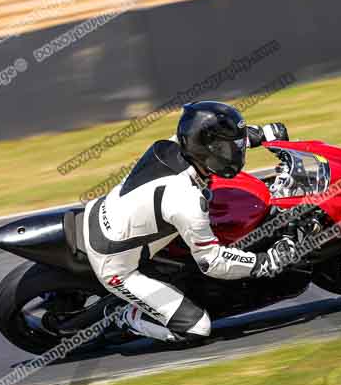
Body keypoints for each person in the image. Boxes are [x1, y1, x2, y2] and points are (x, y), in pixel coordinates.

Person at [81, 101, 298, 343]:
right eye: (227, 148)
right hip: (114, 264)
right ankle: (126, 316)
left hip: (104, 213)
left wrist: (260, 134)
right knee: (197, 328)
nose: (233, 152)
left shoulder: (174, 146)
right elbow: (213, 262)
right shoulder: (186, 199)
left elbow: (207, 136)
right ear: (208, 151)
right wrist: (266, 261)